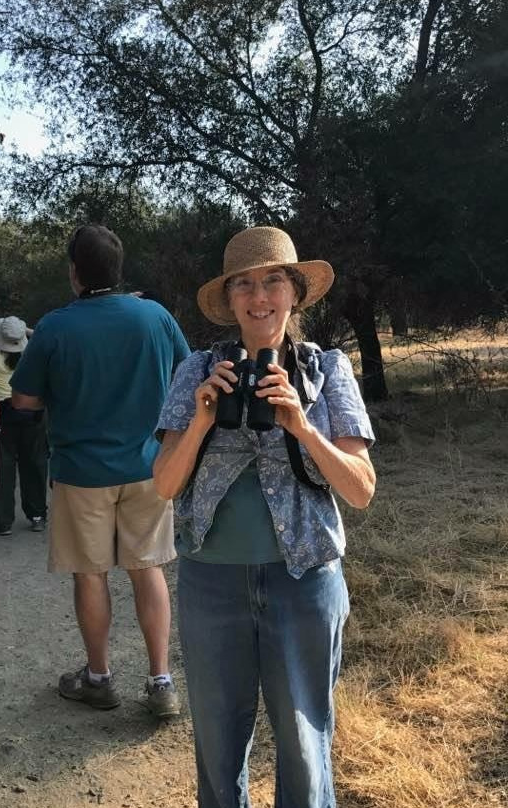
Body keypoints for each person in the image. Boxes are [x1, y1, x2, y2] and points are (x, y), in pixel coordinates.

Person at [153, 226, 376, 808]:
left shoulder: (329, 371)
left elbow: (361, 489)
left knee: (305, 746)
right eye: (244, 285)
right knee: (219, 746)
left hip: (304, 583)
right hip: (211, 583)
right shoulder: (195, 370)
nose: (260, 296)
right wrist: (202, 417)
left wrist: (301, 424)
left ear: (295, 292)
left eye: (273, 280)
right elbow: (164, 484)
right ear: (229, 302)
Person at [10, 224, 190, 717]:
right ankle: (160, 682)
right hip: (150, 468)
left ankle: (99, 677)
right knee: (146, 568)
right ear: (119, 268)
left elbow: (24, 400)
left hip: (79, 471)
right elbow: (188, 375)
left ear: (74, 272)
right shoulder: (155, 316)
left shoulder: (54, 326)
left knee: (90, 576)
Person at [0, 316, 48, 535]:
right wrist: (25, 330)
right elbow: (46, 338)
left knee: (2, 467)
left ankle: (3, 521)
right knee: (34, 464)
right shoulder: (34, 355)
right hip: (34, 412)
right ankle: (37, 515)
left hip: (1, 414)